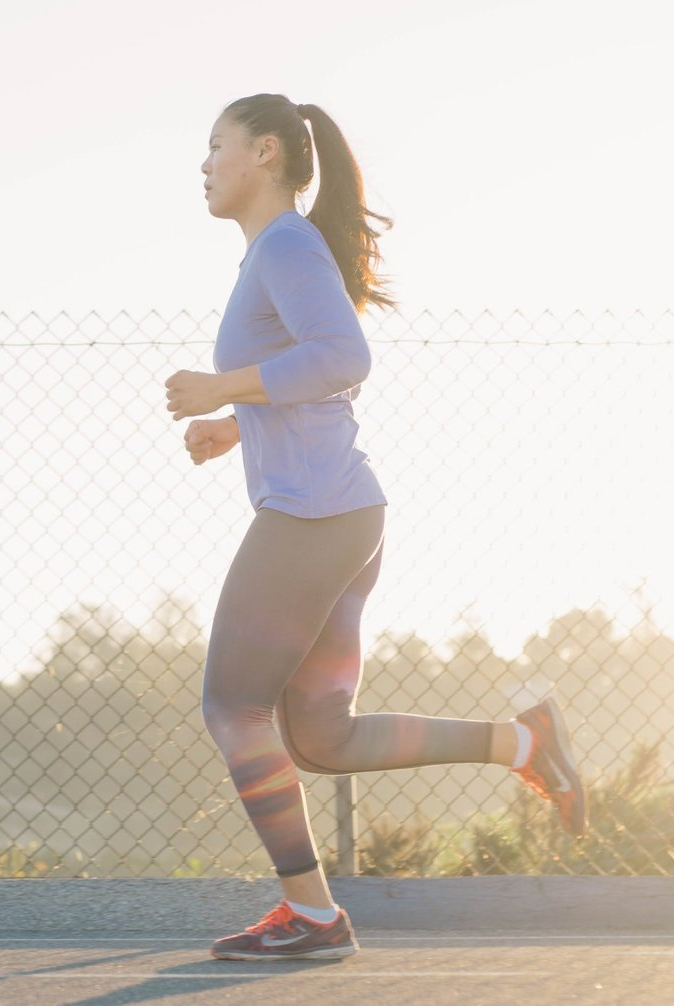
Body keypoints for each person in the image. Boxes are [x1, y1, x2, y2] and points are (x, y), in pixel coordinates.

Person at [164, 92, 585, 963]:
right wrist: (236, 425)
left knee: (232, 704)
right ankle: (525, 741)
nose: (203, 165)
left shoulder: (283, 244)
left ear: (267, 153)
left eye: (216, 146)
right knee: (320, 735)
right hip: (344, 514)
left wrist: (224, 387)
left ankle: (314, 917)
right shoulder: (274, 253)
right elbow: (318, 377)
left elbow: (345, 357)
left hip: (316, 517)